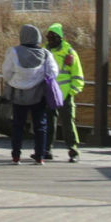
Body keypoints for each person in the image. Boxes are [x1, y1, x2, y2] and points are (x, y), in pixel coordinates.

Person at [0, 23, 58, 165]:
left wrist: (15, 80)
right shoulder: (45, 54)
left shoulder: (13, 52)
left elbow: (6, 72)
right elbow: (53, 72)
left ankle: (16, 155)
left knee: (18, 125)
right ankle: (40, 155)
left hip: (19, 94)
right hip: (38, 94)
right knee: (40, 125)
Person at [45, 23, 84, 162]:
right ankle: (47, 149)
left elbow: (77, 74)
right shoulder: (45, 51)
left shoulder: (69, 52)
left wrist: (73, 91)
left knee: (68, 123)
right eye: (48, 36)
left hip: (65, 93)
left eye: (53, 36)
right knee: (49, 122)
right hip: (50, 92)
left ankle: (73, 150)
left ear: (60, 37)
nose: (50, 39)